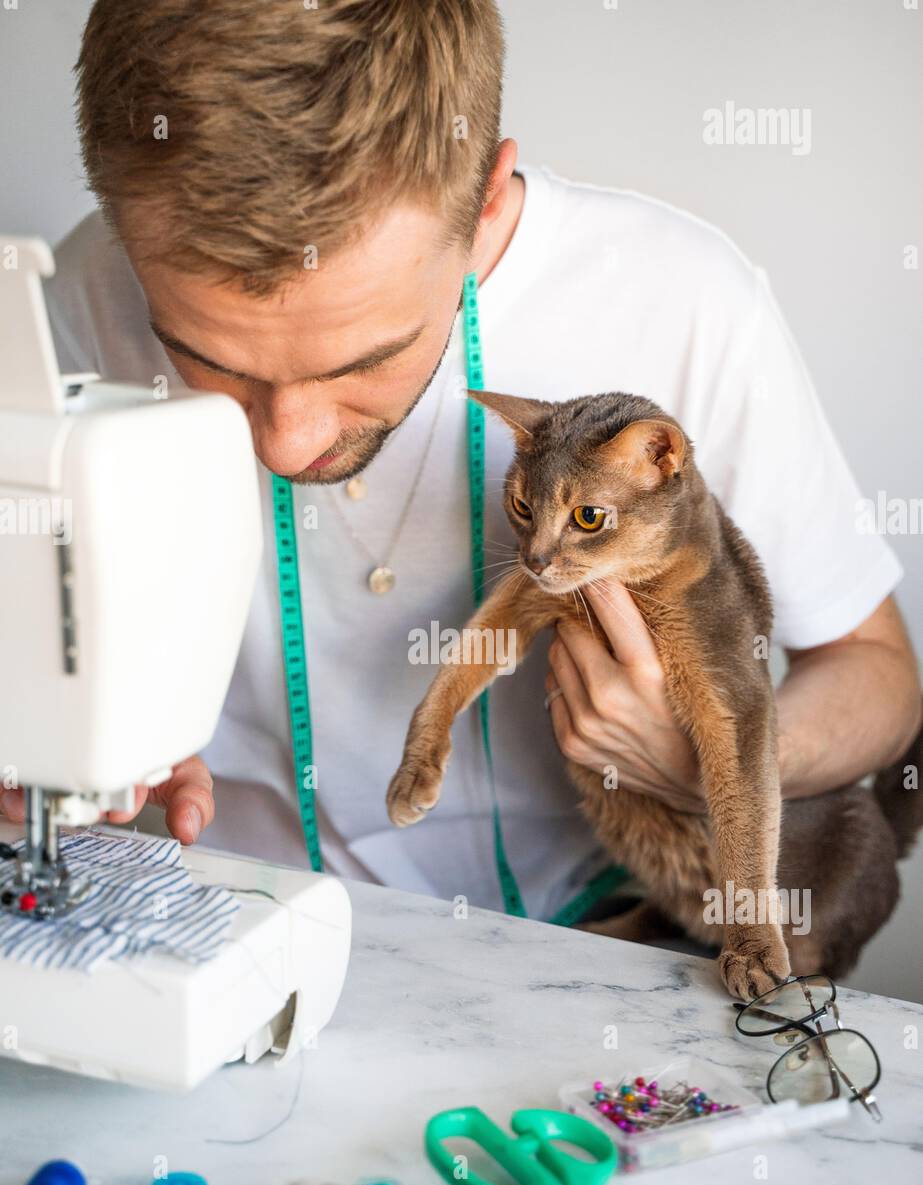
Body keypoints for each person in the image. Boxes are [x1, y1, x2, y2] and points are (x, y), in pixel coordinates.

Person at [10, 0, 918, 922]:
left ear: (482, 198)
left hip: (602, 930)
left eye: (361, 362)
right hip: (224, 899)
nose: (286, 442)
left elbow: (877, 673)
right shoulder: (71, 292)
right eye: (206, 358)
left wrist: (707, 761)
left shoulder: (683, 300)